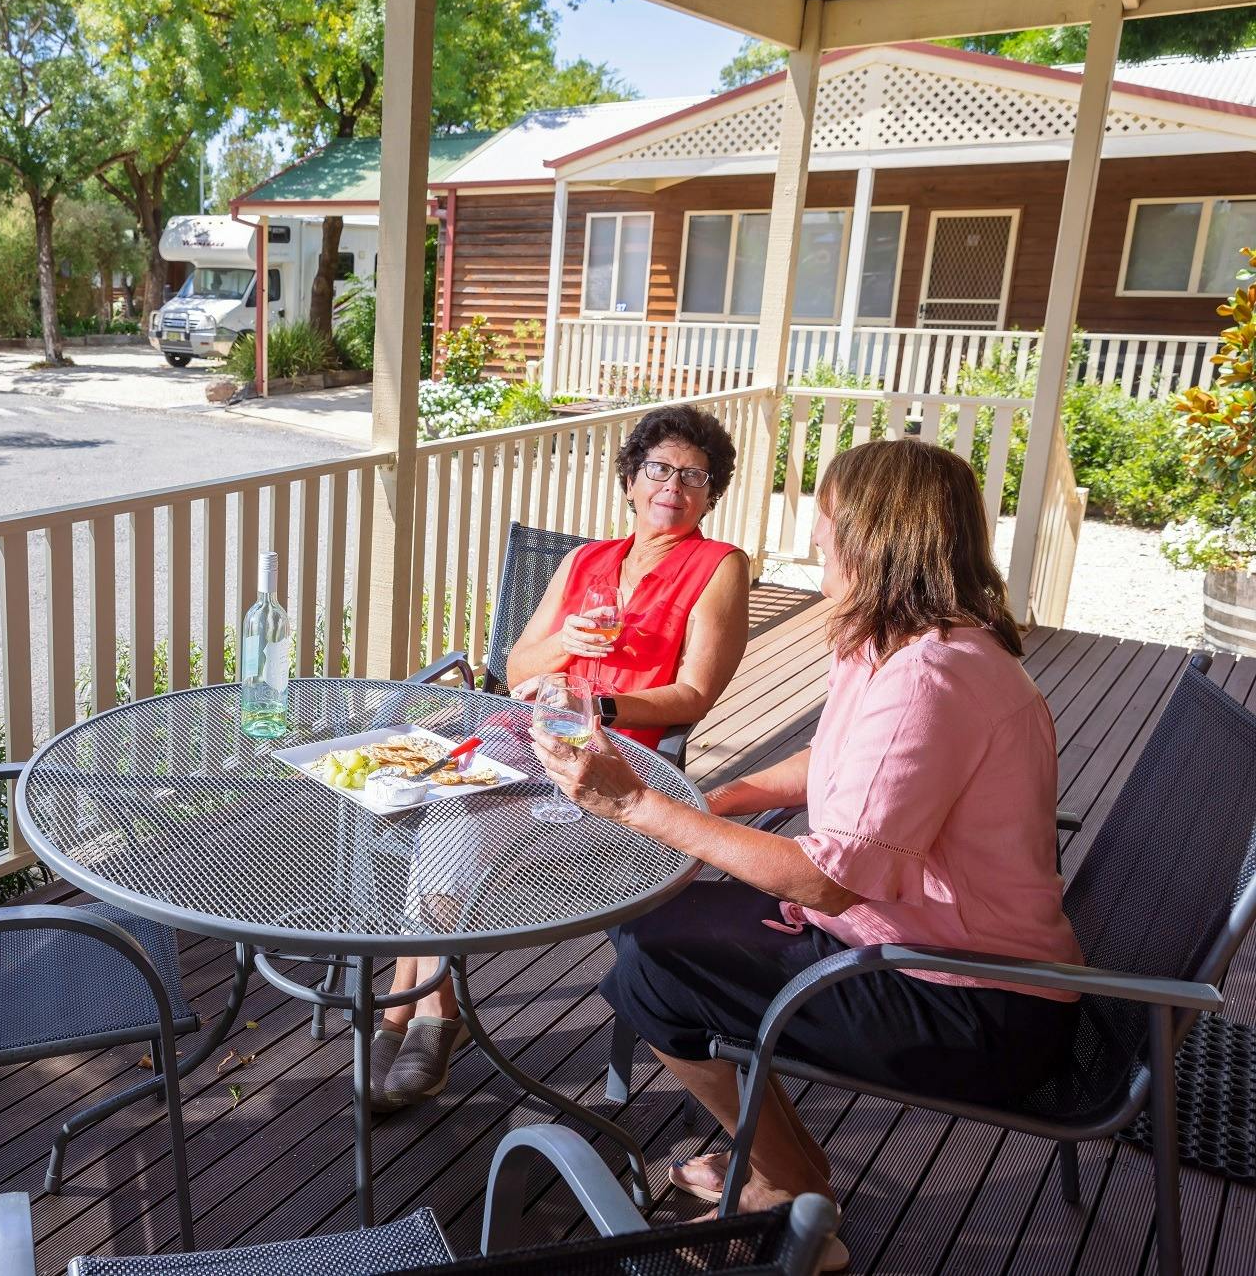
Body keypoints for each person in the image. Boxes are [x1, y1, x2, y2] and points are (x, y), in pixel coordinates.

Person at [534, 438, 1082, 1272]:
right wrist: (715, 800)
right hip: (919, 946)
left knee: (653, 963)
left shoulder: (930, 675)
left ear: (872, 533)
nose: (815, 530)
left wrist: (640, 804)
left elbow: (829, 879)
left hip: (974, 1005)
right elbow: (830, 760)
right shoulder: (899, 641)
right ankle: (789, 1174)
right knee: (655, 922)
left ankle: (794, 1197)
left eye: (828, 514)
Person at [372, 404, 750, 1112]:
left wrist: (599, 707)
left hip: (610, 760)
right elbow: (518, 667)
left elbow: (694, 692)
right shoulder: (585, 561)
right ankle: (425, 1005)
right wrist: (568, 642)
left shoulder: (718, 567)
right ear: (632, 479)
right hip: (522, 732)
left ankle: (414, 1008)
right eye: (659, 468)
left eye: (693, 474)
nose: (673, 484)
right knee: (413, 782)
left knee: (449, 819)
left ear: (709, 491)